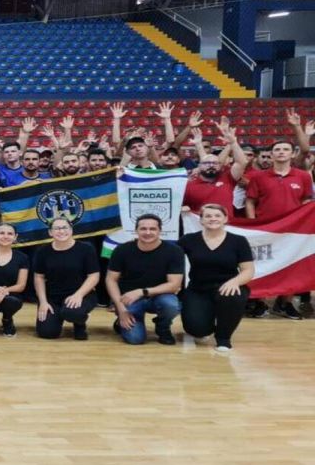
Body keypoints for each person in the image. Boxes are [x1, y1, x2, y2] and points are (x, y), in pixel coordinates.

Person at [245, 140, 313, 320]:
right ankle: (258, 301)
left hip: (293, 230)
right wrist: (253, 225)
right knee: (261, 264)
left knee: (292, 266)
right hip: (265, 229)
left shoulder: (303, 176)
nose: (281, 152)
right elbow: (250, 201)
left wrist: (305, 221)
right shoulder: (258, 177)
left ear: (292, 154)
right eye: (277, 150)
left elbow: (306, 201)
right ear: (271, 154)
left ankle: (285, 303)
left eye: (285, 149)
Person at [179, 204, 254, 351]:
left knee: (233, 296)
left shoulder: (238, 241)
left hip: (227, 287)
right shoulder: (189, 240)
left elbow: (248, 270)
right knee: (197, 330)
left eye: (217, 216)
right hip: (198, 289)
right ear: (201, 220)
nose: (213, 219)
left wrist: (234, 282)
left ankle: (223, 337)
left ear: (225, 219)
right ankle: (206, 321)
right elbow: (168, 253)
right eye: (208, 216)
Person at [105, 214, 184, 345]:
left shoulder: (174, 251)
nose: (148, 232)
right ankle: (121, 320)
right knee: (135, 339)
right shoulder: (122, 250)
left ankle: (163, 327)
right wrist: (121, 309)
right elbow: (110, 280)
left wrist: (142, 291)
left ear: (160, 231)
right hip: (129, 299)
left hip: (159, 296)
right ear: (136, 230)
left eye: (152, 229)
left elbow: (174, 285)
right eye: (143, 229)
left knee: (172, 305)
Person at [32, 217, 101, 340]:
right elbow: (39, 277)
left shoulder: (86, 249)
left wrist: (79, 295)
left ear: (71, 230)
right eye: (57, 228)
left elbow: (94, 276)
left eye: (65, 227)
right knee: (47, 333)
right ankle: (62, 314)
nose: (61, 231)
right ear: (50, 232)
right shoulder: (42, 251)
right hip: (53, 297)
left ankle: (79, 323)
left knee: (71, 312)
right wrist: (43, 302)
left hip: (81, 295)